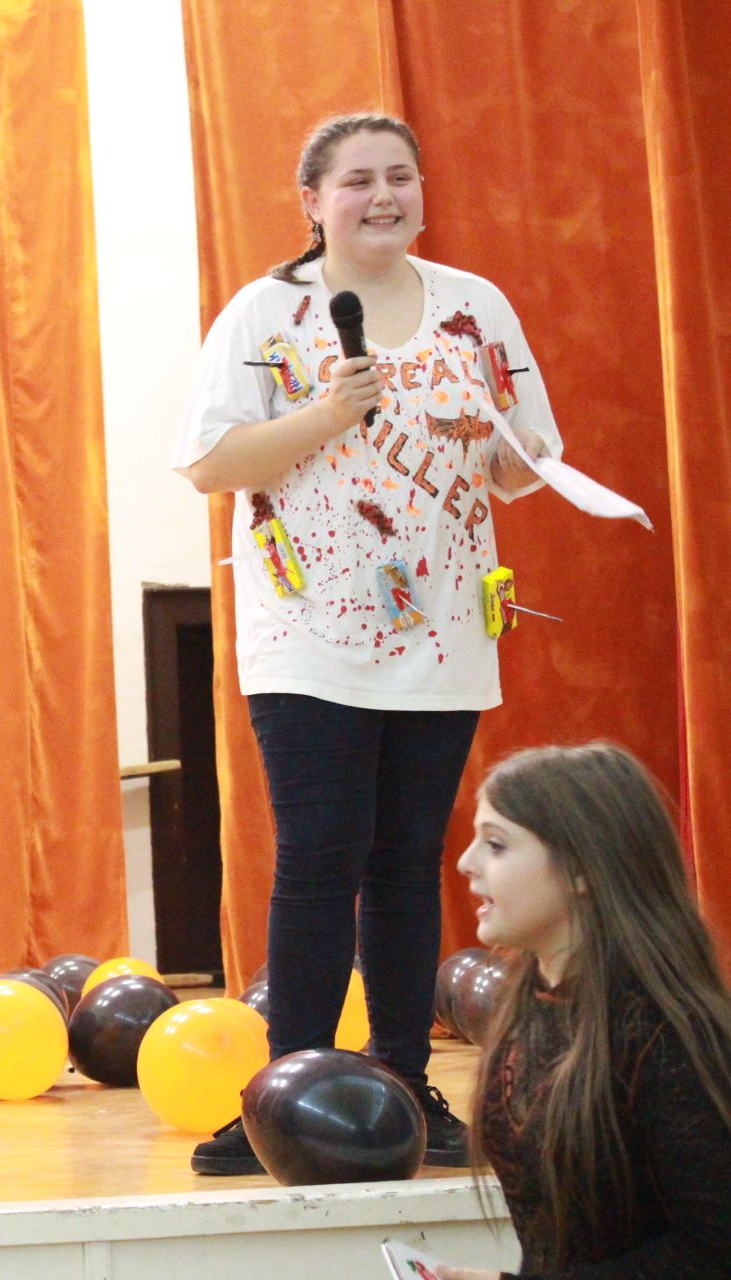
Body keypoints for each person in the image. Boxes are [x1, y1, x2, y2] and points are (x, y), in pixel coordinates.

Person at [173, 112, 563, 1175]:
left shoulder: (475, 307)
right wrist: (327, 415)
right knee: (319, 854)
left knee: (406, 860)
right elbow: (210, 464)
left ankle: (400, 1081)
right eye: (358, 181)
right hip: (310, 636)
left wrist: (512, 449)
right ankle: (284, 1094)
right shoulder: (267, 312)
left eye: (400, 177)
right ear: (314, 202)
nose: (383, 197)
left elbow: (521, 463)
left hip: (444, 631)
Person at [429, 744, 731, 1279]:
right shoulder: (529, 1003)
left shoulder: (665, 1033)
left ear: (580, 870)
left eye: (496, 844)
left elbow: (711, 1252)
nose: (465, 862)